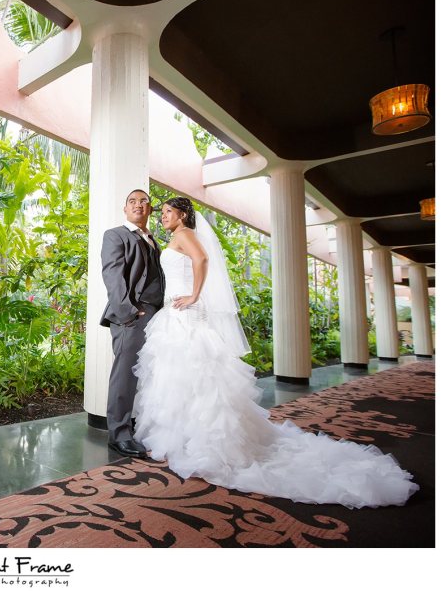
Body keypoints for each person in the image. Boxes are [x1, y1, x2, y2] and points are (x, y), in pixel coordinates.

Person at [132, 196, 419, 508]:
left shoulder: (186, 235)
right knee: (181, 378)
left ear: (183, 215)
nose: (163, 217)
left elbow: (202, 261)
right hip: (175, 315)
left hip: (186, 314)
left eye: (168, 212)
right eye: (162, 213)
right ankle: (183, 439)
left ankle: (203, 444)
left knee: (196, 377)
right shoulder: (176, 237)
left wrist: (193, 295)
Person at [99, 189, 165, 459]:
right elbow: (112, 276)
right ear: (125, 208)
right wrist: (128, 312)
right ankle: (119, 434)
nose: (139, 204)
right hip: (133, 314)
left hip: (157, 315)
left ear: (150, 210)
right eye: (133, 201)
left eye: (144, 201)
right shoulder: (115, 235)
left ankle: (136, 424)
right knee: (124, 374)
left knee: (147, 373)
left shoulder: (152, 239)